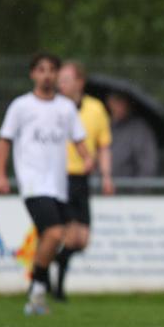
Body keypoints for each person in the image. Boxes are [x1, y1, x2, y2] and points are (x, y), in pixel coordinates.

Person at [0, 53, 93, 316]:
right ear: (33, 74)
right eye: (41, 70)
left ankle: (37, 295)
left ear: (57, 75)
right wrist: (1, 174)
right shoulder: (21, 106)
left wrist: (86, 158)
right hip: (33, 183)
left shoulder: (65, 108)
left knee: (51, 238)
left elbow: (78, 137)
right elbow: (5, 139)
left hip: (58, 184)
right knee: (54, 233)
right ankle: (37, 286)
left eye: (52, 70)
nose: (47, 75)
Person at [54, 61, 115, 301]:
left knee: (82, 241)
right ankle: (57, 289)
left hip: (83, 179)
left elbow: (104, 145)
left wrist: (107, 176)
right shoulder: (55, 108)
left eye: (65, 79)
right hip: (60, 178)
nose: (61, 84)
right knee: (71, 236)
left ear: (79, 82)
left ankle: (52, 262)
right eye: (60, 80)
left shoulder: (95, 108)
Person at [107, 92, 159, 177]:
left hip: (127, 187)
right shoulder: (102, 124)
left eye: (123, 101)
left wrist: (138, 188)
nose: (120, 105)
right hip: (99, 187)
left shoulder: (140, 129)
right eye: (116, 100)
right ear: (109, 102)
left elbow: (148, 165)